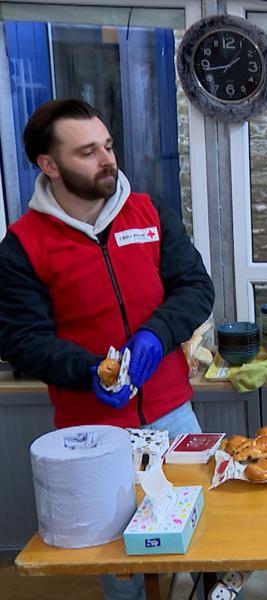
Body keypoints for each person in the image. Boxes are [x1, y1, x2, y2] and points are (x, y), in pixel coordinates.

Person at [0, 98, 214, 599]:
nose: (107, 160)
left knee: (206, 545)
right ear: (48, 166)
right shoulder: (23, 246)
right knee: (121, 568)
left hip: (173, 416)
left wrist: (155, 336)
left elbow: (195, 288)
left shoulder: (149, 212)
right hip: (91, 434)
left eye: (109, 146)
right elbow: (21, 341)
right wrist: (90, 369)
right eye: (87, 152)